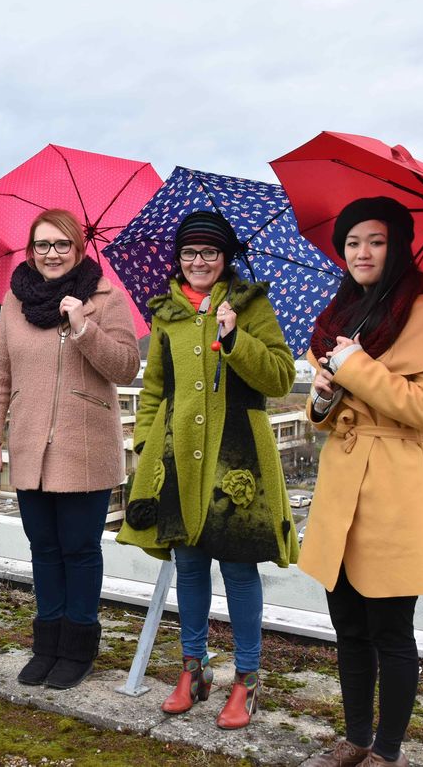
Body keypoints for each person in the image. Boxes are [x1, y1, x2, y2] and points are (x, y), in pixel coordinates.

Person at [298, 197, 423, 767]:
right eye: (351, 243)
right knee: (347, 624)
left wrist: (356, 369)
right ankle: (356, 738)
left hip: (394, 488)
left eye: (375, 241)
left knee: (390, 629)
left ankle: (387, 753)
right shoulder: (345, 314)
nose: (361, 252)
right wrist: (319, 399)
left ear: (397, 246)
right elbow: (328, 414)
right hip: (343, 486)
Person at [116, 211, 298, 727]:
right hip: (178, 456)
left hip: (238, 456)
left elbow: (281, 376)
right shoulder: (167, 314)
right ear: (179, 259)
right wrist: (147, 444)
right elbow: (154, 389)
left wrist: (237, 338)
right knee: (189, 565)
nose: (199, 262)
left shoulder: (251, 306)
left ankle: (247, 678)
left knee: (239, 567)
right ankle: (192, 669)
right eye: (190, 254)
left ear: (226, 259)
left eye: (210, 253)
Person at [0, 208, 140, 691]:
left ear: (79, 248)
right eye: (42, 245)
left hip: (85, 445)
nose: (51, 254)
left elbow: (127, 367)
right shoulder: (13, 302)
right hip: (29, 445)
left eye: (61, 245)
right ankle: (46, 644)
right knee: (44, 550)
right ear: (31, 251)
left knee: (80, 550)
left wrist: (83, 327)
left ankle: (77, 650)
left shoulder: (105, 299)